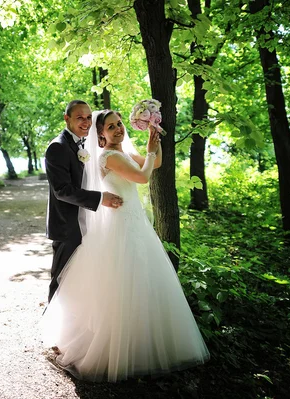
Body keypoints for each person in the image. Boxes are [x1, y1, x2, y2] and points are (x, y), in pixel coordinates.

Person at [42, 109, 210, 382]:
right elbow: (142, 178)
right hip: (121, 226)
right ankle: (116, 348)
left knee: (143, 280)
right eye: (111, 127)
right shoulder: (110, 156)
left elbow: (152, 165)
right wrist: (151, 151)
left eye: (119, 124)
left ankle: (144, 341)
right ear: (101, 136)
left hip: (135, 223)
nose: (118, 129)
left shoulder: (123, 152)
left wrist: (154, 142)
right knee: (123, 283)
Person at [44, 100, 124, 303]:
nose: (86, 122)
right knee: (61, 279)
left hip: (87, 222)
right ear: (67, 118)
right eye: (80, 117)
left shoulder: (84, 144)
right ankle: (51, 325)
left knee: (79, 280)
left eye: (89, 117)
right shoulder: (57, 147)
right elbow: (62, 191)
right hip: (67, 226)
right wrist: (100, 199)